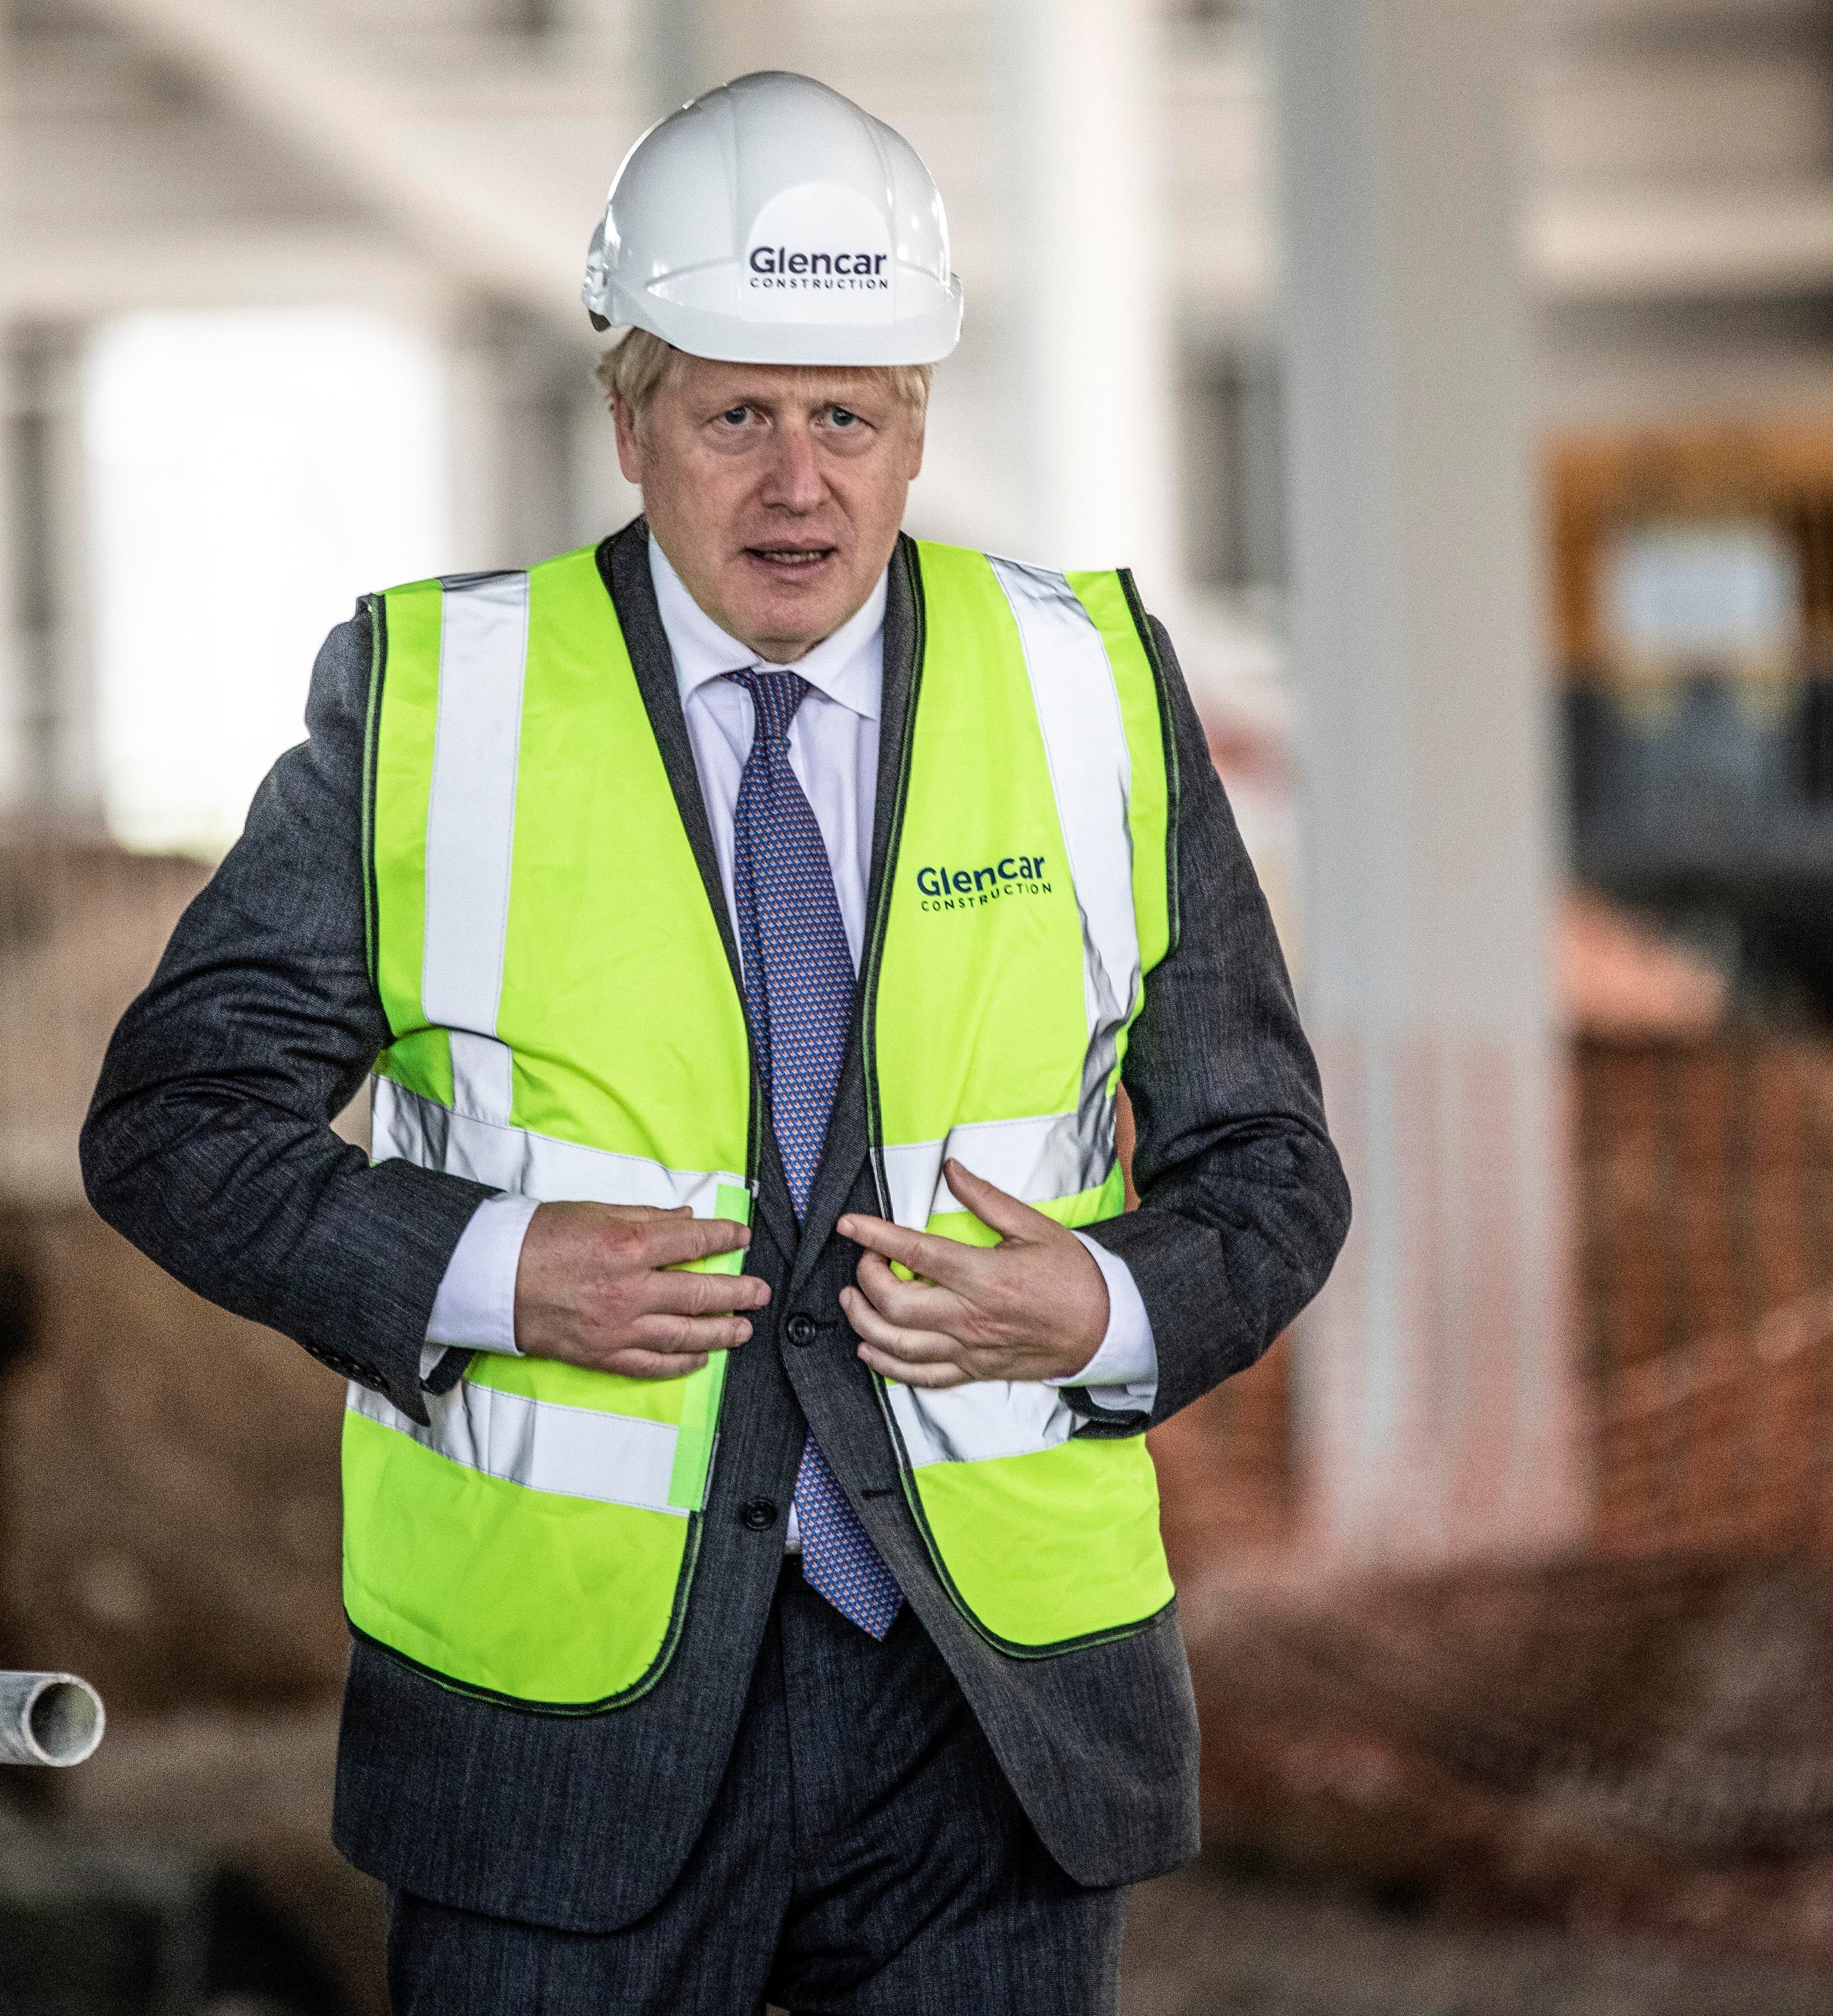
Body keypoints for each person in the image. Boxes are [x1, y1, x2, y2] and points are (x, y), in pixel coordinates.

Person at [84, 70, 1348, 2015]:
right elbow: (177, 1125)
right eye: (736, 412)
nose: (798, 482)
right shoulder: (434, 699)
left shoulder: (1090, 682)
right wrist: (495, 1273)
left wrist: (1094, 1310)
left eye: (848, 414)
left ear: (918, 427)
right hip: (554, 1732)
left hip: (991, 1728)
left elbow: (1268, 1173)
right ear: (627, 416)